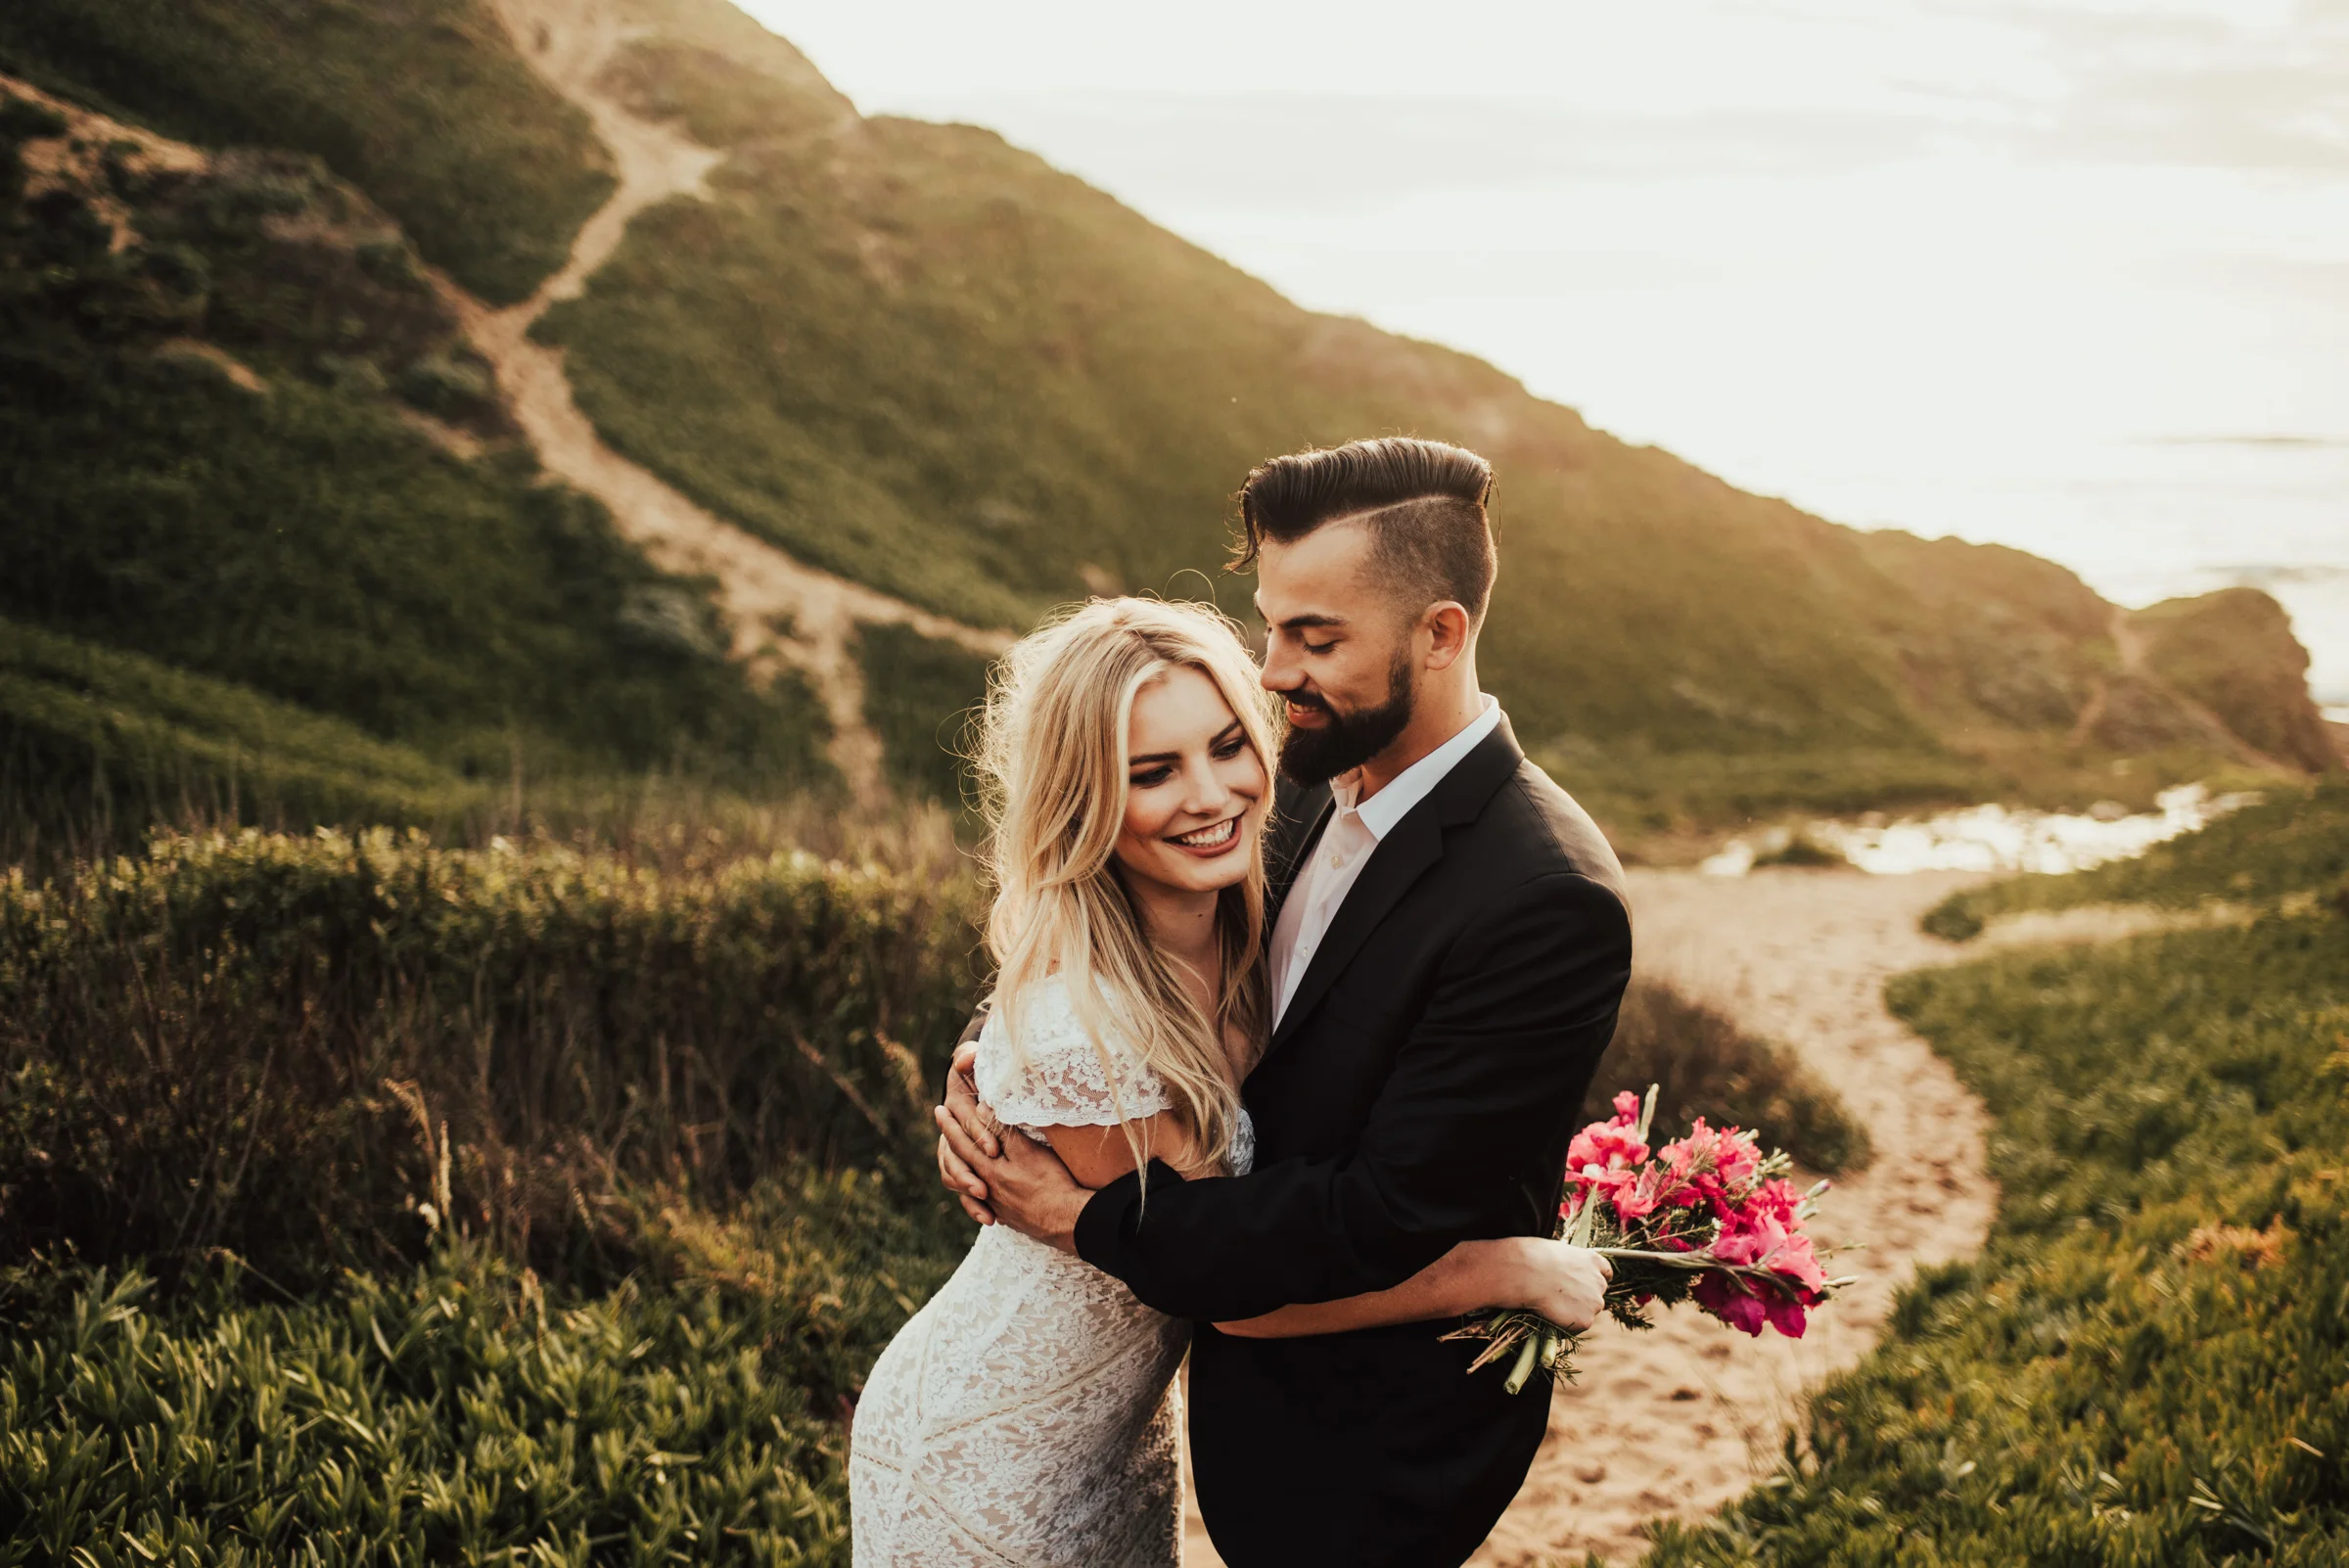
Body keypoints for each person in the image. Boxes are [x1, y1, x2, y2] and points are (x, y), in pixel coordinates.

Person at [935, 438, 1635, 1568]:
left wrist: (1077, 1216)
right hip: (1190, 1412)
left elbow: (1375, 1218)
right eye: (1271, 628)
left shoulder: (1544, 897)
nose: (1270, 674)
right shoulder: (1289, 786)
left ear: (1440, 633)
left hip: (1364, 1451)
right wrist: (994, 1065)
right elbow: (1113, 922)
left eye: (1316, 639)